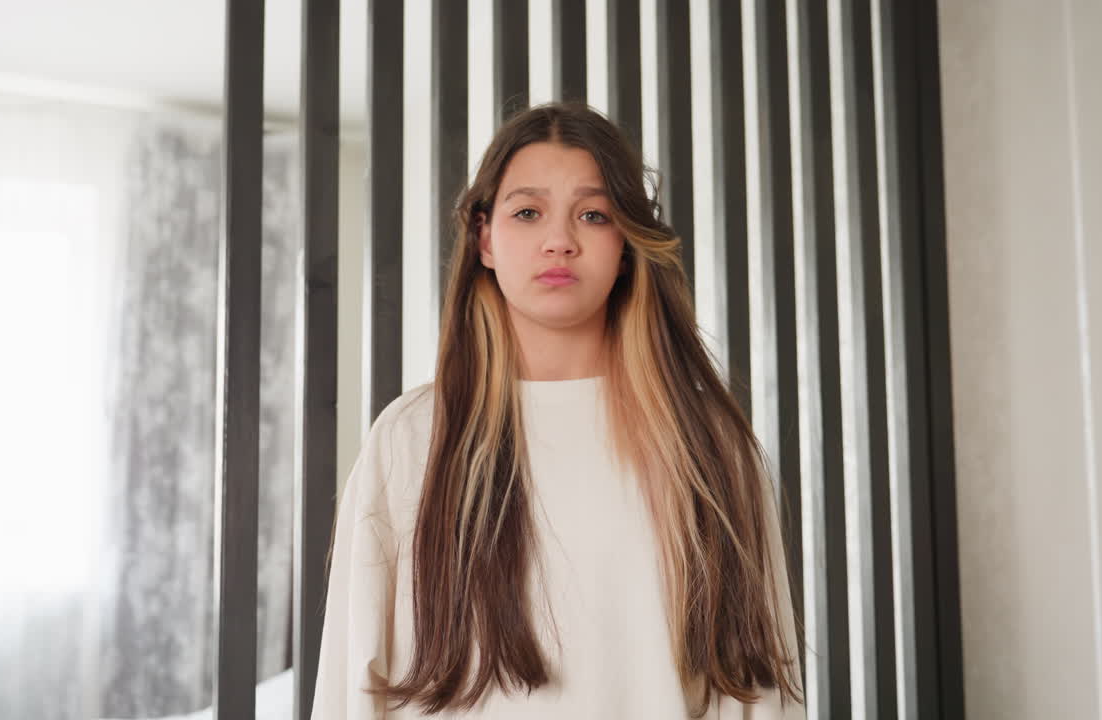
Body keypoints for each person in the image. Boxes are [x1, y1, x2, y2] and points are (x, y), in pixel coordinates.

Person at [311, 102, 805, 719]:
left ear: (625, 243)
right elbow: (352, 679)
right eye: (528, 212)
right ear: (485, 238)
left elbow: (758, 688)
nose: (559, 241)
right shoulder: (413, 439)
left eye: (593, 215)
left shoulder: (706, 446)